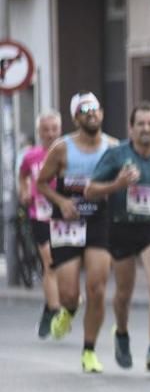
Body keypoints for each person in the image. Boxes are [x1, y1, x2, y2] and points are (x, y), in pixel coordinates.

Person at [85, 102, 150, 372]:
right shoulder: (116, 155)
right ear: (131, 128)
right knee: (124, 293)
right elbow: (90, 190)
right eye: (141, 124)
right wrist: (118, 185)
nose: (146, 129)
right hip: (121, 227)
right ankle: (122, 333)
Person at [36, 92, 116, 373]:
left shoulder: (112, 147)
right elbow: (42, 182)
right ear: (76, 117)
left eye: (95, 109)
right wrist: (61, 202)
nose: (91, 114)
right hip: (67, 222)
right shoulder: (61, 148)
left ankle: (89, 350)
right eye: (85, 110)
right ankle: (67, 311)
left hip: (98, 221)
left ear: (102, 114)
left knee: (97, 288)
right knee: (69, 294)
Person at [17, 110, 62, 338]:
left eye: (54, 129)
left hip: (64, 216)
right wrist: (24, 191)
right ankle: (55, 311)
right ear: (39, 132)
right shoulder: (31, 156)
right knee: (50, 262)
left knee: (63, 264)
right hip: (40, 214)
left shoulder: (68, 153)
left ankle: (49, 307)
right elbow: (23, 174)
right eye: (45, 130)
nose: (50, 134)